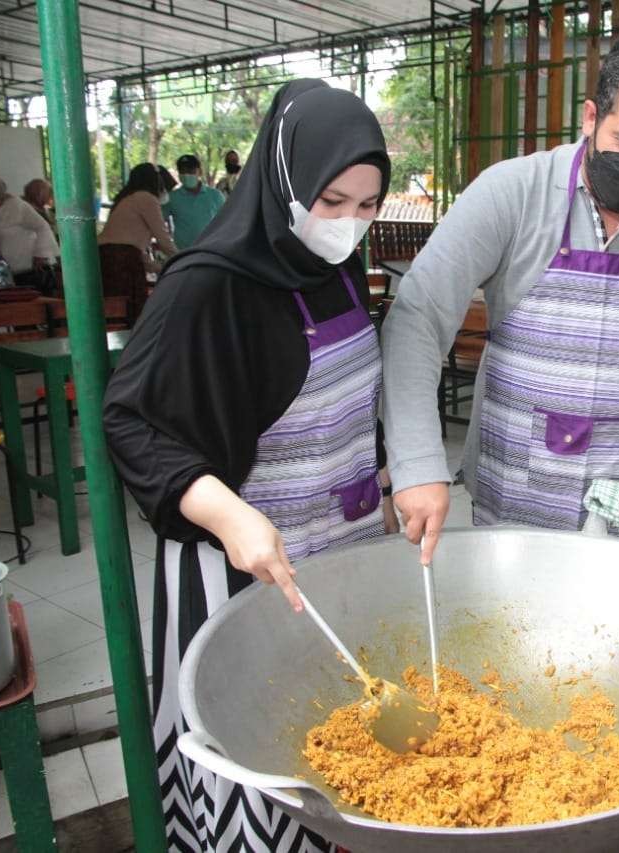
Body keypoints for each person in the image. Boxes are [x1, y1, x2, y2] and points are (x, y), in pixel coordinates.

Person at [103, 80, 397, 852]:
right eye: (333, 200)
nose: (347, 225)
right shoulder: (204, 284)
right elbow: (129, 421)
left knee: (343, 755)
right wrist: (229, 514)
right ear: (286, 177)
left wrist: (382, 481)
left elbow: (349, 397)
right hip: (241, 562)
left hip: (342, 545)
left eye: (367, 206)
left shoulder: (333, 266)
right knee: (260, 762)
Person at [382, 34, 619, 563]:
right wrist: (417, 461)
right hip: (510, 501)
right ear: (590, 117)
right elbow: (419, 318)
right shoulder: (512, 193)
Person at [98, 163, 177, 319]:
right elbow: (163, 238)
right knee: (130, 310)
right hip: (121, 261)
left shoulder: (128, 198)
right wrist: (181, 259)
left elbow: (132, 244)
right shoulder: (146, 198)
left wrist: (156, 267)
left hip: (108, 258)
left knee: (117, 311)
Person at [0, 172, 59, 289]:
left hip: (28, 271)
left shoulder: (15, 205)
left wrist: (40, 255)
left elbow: (42, 227)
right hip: (3, 274)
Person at [162, 153, 225, 251]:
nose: (186, 174)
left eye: (191, 170)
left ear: (199, 172)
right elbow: (158, 220)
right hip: (183, 253)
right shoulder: (171, 197)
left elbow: (226, 222)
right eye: (182, 171)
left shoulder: (215, 196)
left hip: (211, 251)